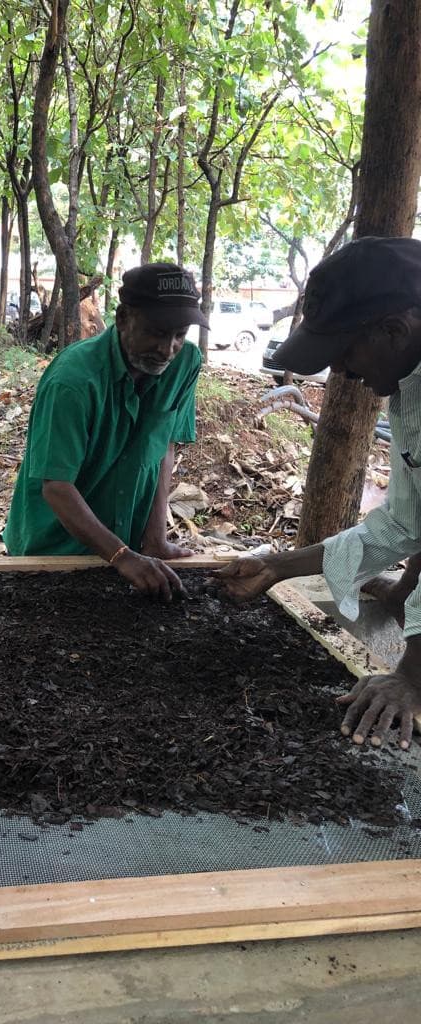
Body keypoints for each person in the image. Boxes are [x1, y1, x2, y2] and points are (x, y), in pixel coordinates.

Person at [217, 236, 421, 751]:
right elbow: (403, 523)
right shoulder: (408, 381)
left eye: (345, 353)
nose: (342, 372)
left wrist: (412, 679)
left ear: (394, 330)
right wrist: (279, 566)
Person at [2, 262, 207, 600]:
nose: (167, 348)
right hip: (52, 549)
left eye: (179, 335)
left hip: (126, 550)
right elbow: (56, 486)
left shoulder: (185, 364)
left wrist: (154, 538)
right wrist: (121, 556)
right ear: (123, 318)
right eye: (157, 332)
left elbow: (164, 449)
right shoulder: (72, 381)